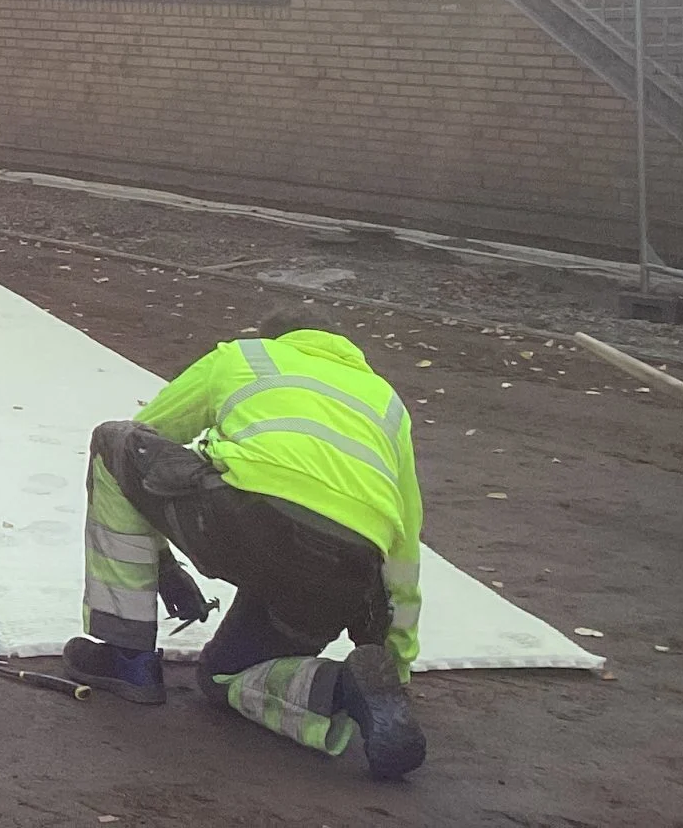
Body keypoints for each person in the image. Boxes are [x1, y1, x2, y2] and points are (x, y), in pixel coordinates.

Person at [63, 316, 427, 780]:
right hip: (343, 571)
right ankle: (343, 688)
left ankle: (127, 658)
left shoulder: (244, 357)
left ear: (274, 339)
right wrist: (396, 663)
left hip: (248, 522)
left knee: (113, 443)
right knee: (225, 675)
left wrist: (163, 566)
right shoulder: (387, 404)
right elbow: (404, 550)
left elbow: (148, 437)